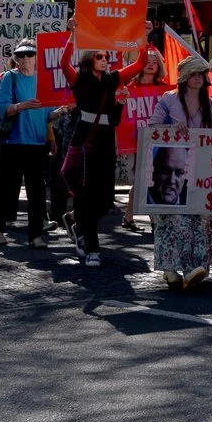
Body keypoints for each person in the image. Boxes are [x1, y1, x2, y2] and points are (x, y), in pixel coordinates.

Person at [149, 56, 212, 289]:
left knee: (199, 219)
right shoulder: (169, 100)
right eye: (194, 74)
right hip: (171, 167)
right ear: (184, 78)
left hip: (199, 171)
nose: (198, 78)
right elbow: (152, 127)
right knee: (173, 220)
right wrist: (170, 128)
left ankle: (194, 267)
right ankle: (171, 269)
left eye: (201, 74)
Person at [0, 41, 57, 247]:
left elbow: (48, 114)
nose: (25, 58)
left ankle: (36, 235)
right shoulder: (10, 77)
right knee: (4, 189)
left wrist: (61, 113)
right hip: (12, 143)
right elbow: (4, 108)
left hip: (37, 144)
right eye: (21, 55)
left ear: (37, 57)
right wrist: (23, 106)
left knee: (36, 192)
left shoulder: (45, 80)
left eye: (30, 54)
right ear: (15, 58)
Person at [68, 50, 125, 266]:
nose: (104, 60)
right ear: (89, 58)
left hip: (106, 141)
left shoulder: (112, 80)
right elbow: (64, 63)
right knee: (87, 195)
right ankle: (93, 249)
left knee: (105, 198)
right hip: (84, 140)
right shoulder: (80, 78)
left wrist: (144, 36)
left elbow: (138, 65)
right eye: (99, 57)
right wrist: (72, 35)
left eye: (106, 58)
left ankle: (79, 224)